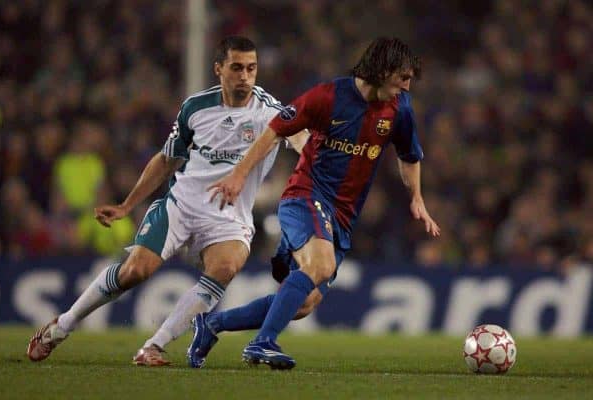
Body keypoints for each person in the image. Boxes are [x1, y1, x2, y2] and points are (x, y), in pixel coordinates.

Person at [27, 36, 309, 366]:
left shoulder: (269, 111)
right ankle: (62, 325)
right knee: (135, 271)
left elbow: (300, 135)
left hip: (229, 216)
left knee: (226, 267)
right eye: (237, 68)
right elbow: (166, 160)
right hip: (182, 206)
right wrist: (127, 206)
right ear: (219, 69)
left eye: (252, 68)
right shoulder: (196, 108)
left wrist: (311, 155)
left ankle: (154, 346)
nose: (245, 76)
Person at [189, 37, 440, 370]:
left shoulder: (400, 109)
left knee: (304, 303)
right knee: (320, 265)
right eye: (403, 78)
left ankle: (211, 325)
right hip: (306, 195)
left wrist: (417, 197)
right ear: (384, 70)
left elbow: (409, 156)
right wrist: (239, 175)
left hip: (343, 216)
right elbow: (275, 130)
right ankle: (262, 343)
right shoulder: (328, 96)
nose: (407, 86)